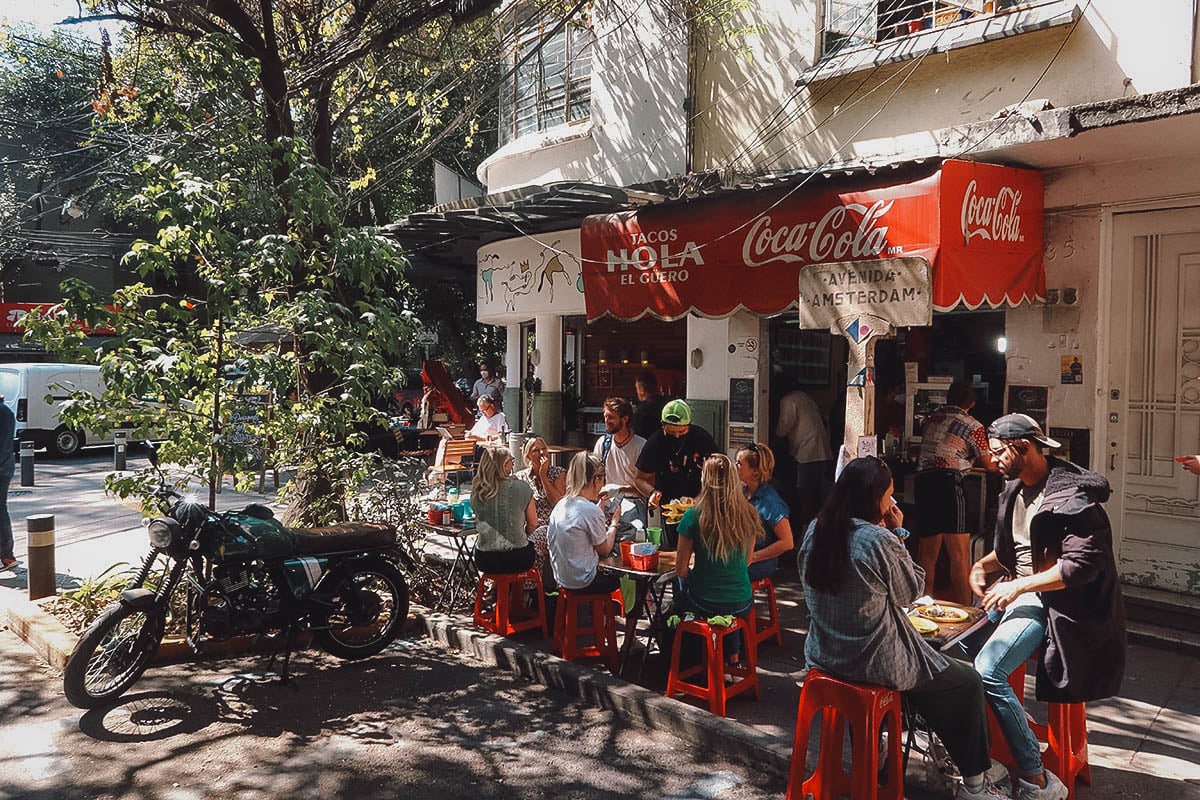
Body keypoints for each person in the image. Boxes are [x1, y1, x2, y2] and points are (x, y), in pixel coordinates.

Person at [799, 456, 1009, 800]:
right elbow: (912, 591)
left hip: (824, 656)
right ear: (874, 498)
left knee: (916, 682)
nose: (892, 502)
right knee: (966, 681)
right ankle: (974, 782)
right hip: (872, 663)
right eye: (889, 495)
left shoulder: (815, 528)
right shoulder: (876, 539)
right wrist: (897, 532)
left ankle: (877, 747)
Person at [966, 413, 1126, 800]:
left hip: (1055, 602)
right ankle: (981, 756)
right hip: (1015, 591)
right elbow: (1017, 545)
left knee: (987, 672)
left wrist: (1019, 586)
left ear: (1023, 448)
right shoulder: (1015, 488)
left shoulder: (1073, 499)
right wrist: (982, 564)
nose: (993, 461)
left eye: (1000, 452)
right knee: (947, 654)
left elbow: (1080, 565)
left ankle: (1036, 779)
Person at [674, 454, 761, 664]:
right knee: (726, 602)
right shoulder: (748, 513)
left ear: (705, 479)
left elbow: (681, 570)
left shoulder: (693, 515)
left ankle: (693, 657)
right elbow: (747, 561)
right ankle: (732, 657)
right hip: (742, 601)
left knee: (680, 589)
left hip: (704, 601)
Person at [913, 381, 989, 604]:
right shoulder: (974, 426)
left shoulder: (932, 418)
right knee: (959, 554)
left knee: (927, 552)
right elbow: (990, 463)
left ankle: (923, 605)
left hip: (924, 482)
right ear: (972, 403)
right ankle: (967, 611)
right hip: (947, 483)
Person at [633, 399, 719, 550]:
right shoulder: (655, 442)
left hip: (701, 502)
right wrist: (652, 492)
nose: (677, 436)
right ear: (662, 425)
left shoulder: (701, 438)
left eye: (682, 431)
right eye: (672, 432)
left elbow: (718, 476)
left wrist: (698, 499)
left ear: (689, 426)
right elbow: (639, 478)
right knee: (676, 547)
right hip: (670, 508)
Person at [546, 452, 622, 594]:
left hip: (561, 578)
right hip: (584, 581)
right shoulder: (590, 510)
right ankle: (631, 615)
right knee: (627, 577)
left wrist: (597, 512)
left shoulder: (561, 504)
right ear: (596, 480)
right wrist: (614, 523)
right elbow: (604, 550)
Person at [471, 448, 538, 576]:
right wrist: (521, 535)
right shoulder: (522, 487)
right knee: (540, 535)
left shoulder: (478, 490)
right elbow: (533, 524)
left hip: (485, 559)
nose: (513, 463)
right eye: (511, 460)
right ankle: (522, 593)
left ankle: (498, 590)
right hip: (517, 559)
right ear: (504, 464)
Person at [774, 386, 832, 528]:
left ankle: (806, 529)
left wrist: (773, 436)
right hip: (821, 450)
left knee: (805, 495)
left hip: (807, 453)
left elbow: (784, 426)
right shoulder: (803, 396)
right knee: (819, 495)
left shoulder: (789, 400)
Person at [734, 442, 794, 581]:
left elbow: (787, 542)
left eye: (739, 464)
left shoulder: (770, 501)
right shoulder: (743, 493)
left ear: (755, 471)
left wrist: (753, 557)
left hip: (760, 560)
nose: (734, 467)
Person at [514, 436, 566, 589]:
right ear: (528, 455)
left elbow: (558, 502)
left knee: (536, 540)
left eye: (544, 449)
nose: (542, 453)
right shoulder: (520, 477)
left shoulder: (558, 473)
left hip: (551, 526)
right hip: (528, 525)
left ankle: (529, 590)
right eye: (537, 450)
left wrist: (543, 476)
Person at [592, 396, 647, 539]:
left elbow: (647, 486)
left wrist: (619, 489)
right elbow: (594, 476)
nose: (606, 421)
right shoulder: (603, 443)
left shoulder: (640, 446)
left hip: (633, 503)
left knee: (633, 535)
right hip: (607, 503)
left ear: (625, 419)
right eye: (605, 416)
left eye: (611, 417)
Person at [0, 395, 15, 572]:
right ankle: (6, 555)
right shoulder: (5, 411)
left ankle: (7, 556)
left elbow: (2, 447)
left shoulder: (2, 412)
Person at [631, 371, 668, 440]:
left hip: (648, 445)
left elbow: (637, 435)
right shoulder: (667, 404)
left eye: (636, 388)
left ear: (641, 390)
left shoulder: (642, 410)